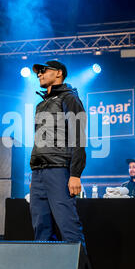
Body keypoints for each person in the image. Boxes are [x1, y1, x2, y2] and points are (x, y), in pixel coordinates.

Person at [29, 60, 88, 251]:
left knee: (69, 230)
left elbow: (79, 138)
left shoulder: (70, 99)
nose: (39, 74)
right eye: (38, 72)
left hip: (59, 172)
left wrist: (75, 174)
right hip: (38, 174)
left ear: (59, 73)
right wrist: (34, 173)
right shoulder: (41, 105)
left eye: (44, 71)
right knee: (41, 232)